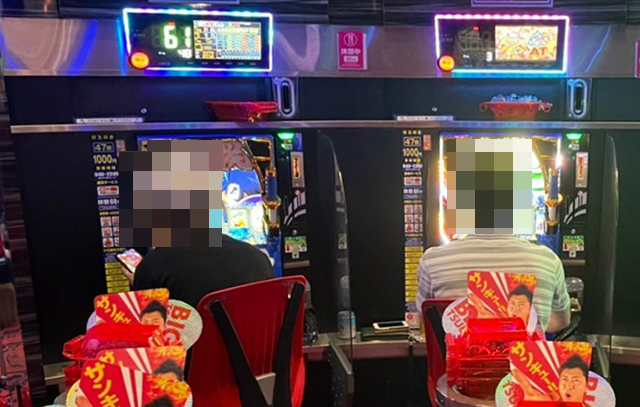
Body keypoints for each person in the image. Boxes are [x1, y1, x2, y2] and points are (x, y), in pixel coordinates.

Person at [416, 235, 571, 333]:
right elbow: (562, 321)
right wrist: (533, 320)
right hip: (525, 373)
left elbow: (426, 320)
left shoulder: (433, 260)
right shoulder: (547, 260)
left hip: (456, 374)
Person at [131, 235, 274, 309]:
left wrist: (138, 283)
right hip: (261, 355)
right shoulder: (257, 256)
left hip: (195, 357)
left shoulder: (153, 265)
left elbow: (145, 332)